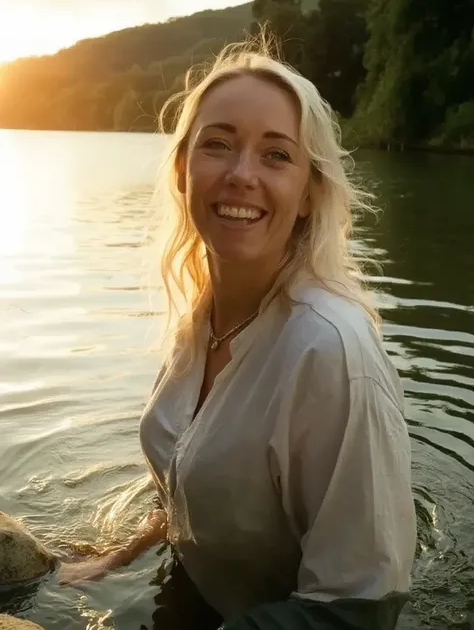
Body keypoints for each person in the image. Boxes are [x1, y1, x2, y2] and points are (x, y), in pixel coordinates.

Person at [59, 38, 417, 630]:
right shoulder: (200, 318)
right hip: (194, 597)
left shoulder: (330, 350)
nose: (241, 174)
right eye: (217, 145)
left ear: (309, 195)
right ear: (182, 171)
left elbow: (361, 607)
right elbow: (181, 480)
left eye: (276, 155)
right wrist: (120, 553)